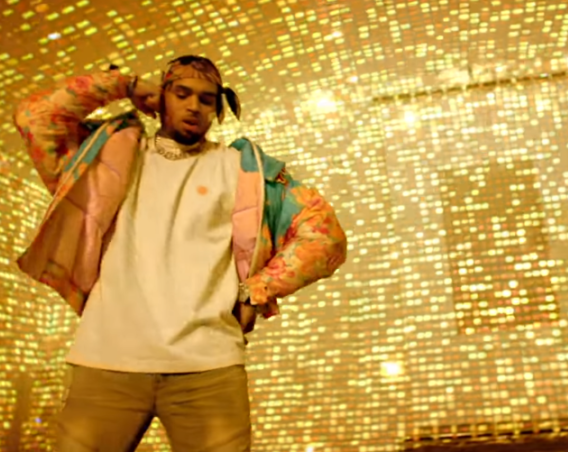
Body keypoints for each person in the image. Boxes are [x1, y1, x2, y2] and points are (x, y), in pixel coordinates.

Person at [13, 56, 348, 451]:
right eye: (182, 93)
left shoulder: (243, 170)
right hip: (106, 359)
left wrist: (257, 289)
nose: (193, 106)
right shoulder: (108, 156)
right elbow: (35, 117)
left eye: (206, 99)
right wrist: (123, 85)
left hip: (209, 367)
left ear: (217, 109)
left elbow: (325, 235)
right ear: (160, 97)